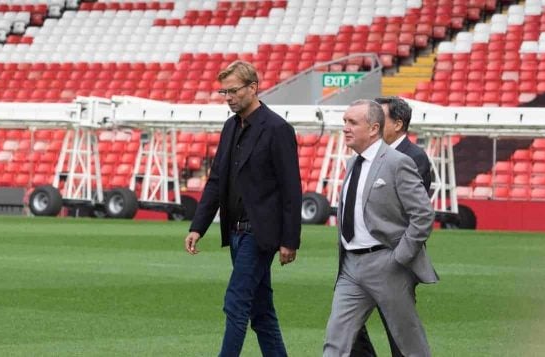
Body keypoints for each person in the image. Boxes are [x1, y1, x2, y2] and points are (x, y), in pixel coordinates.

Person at [184, 60, 302, 357]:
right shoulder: (230, 127)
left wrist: (290, 241)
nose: (228, 97)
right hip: (235, 233)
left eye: (233, 90)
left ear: (253, 87)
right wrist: (198, 226)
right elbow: (216, 180)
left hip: (259, 235)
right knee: (262, 313)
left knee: (236, 303)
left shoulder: (277, 129)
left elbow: (291, 188)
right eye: (223, 91)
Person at [323, 99, 438, 357]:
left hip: (387, 264)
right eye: (344, 122)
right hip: (351, 267)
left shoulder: (398, 162)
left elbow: (422, 215)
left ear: (374, 128)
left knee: (410, 345)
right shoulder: (352, 164)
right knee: (336, 341)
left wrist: (399, 257)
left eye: (353, 122)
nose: (345, 128)